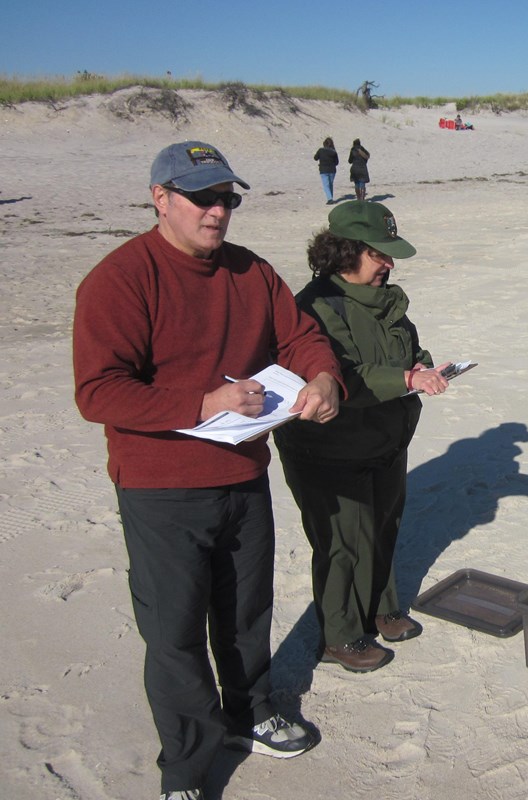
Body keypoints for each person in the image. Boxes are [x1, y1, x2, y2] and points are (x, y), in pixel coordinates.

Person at [73, 141, 344, 800]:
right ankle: (187, 767)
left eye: (227, 198)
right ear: (160, 198)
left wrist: (325, 376)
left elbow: (300, 335)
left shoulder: (250, 272)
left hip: (244, 475)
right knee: (174, 630)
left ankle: (251, 712)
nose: (217, 211)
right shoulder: (120, 277)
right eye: (202, 198)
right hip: (159, 486)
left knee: (246, 613)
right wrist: (202, 401)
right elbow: (99, 391)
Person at [275, 201, 450, 674]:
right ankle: (341, 636)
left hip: (385, 439)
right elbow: (342, 376)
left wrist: (420, 366)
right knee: (342, 541)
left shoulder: (388, 298)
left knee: (384, 524)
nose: (389, 264)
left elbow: (408, 348)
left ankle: (382, 608)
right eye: (379, 254)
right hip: (329, 447)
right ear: (345, 252)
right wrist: (408, 381)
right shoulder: (314, 308)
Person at [313, 136, 339, 204]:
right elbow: (337, 162)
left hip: (323, 170)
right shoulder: (333, 152)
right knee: (330, 184)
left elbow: (315, 158)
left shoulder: (321, 150)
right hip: (332, 170)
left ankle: (330, 199)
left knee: (326, 185)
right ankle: (330, 198)